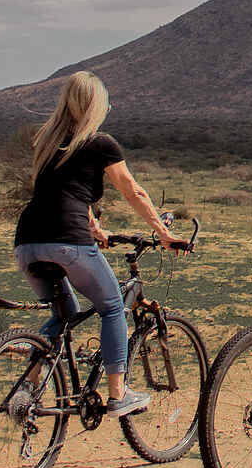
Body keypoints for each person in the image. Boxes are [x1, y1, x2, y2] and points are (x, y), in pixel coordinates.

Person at [13, 69, 184, 417]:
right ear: (96, 105)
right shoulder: (101, 143)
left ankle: (28, 390)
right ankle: (119, 394)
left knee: (65, 314)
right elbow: (132, 190)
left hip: (28, 241)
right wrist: (163, 233)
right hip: (67, 241)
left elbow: (60, 192)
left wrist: (94, 226)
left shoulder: (47, 141)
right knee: (111, 308)